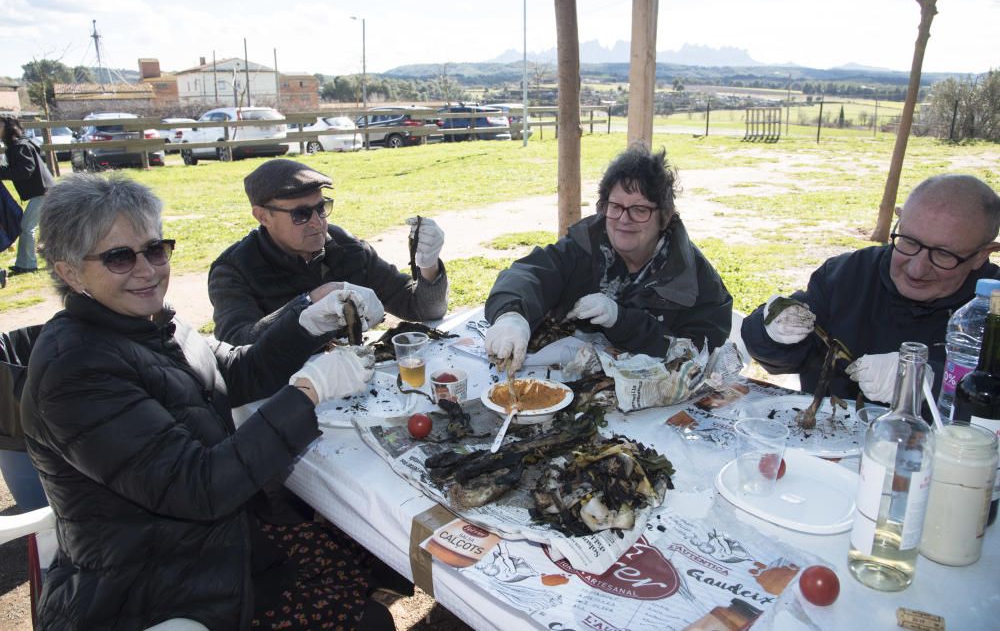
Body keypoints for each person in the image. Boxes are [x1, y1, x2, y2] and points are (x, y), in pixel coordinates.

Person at [20, 172, 395, 630]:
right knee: (366, 617)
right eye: (119, 257)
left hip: (212, 544)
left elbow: (235, 371)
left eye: (155, 250)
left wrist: (306, 322)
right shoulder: (75, 370)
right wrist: (309, 389)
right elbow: (201, 487)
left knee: (361, 555)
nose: (147, 270)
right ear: (69, 271)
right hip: (156, 585)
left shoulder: (151, 322)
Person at [742, 174, 1000, 404]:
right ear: (900, 221)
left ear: (981, 255)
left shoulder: (993, 308)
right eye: (909, 242)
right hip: (826, 446)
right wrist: (769, 332)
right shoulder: (848, 274)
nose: (916, 270)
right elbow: (782, 358)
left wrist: (931, 384)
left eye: (943, 255)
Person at [484, 144, 733, 372]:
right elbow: (528, 274)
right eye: (615, 206)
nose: (624, 219)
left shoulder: (695, 280)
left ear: (665, 217)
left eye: (640, 210)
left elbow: (699, 354)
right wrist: (511, 315)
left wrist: (622, 320)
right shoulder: (584, 245)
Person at [209, 158, 448, 347]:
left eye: (321, 208)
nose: (317, 222)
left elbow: (426, 310)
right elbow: (235, 346)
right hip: (285, 393)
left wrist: (427, 266)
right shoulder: (234, 269)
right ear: (263, 216)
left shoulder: (345, 246)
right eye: (300, 214)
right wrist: (311, 303)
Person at [0, 115, 53, 277]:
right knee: (32, 228)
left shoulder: (19, 146)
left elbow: (26, 170)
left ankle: (28, 264)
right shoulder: (18, 145)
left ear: (8, 128)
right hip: (44, 191)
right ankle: (24, 263)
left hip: (43, 193)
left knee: (26, 227)